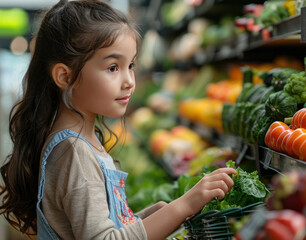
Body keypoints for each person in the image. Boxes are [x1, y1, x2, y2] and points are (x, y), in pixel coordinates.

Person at [0, 0, 237, 239]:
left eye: (131, 65)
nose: (130, 81)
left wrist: (149, 217)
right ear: (65, 76)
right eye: (113, 67)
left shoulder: (82, 141)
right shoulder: (74, 152)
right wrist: (184, 205)